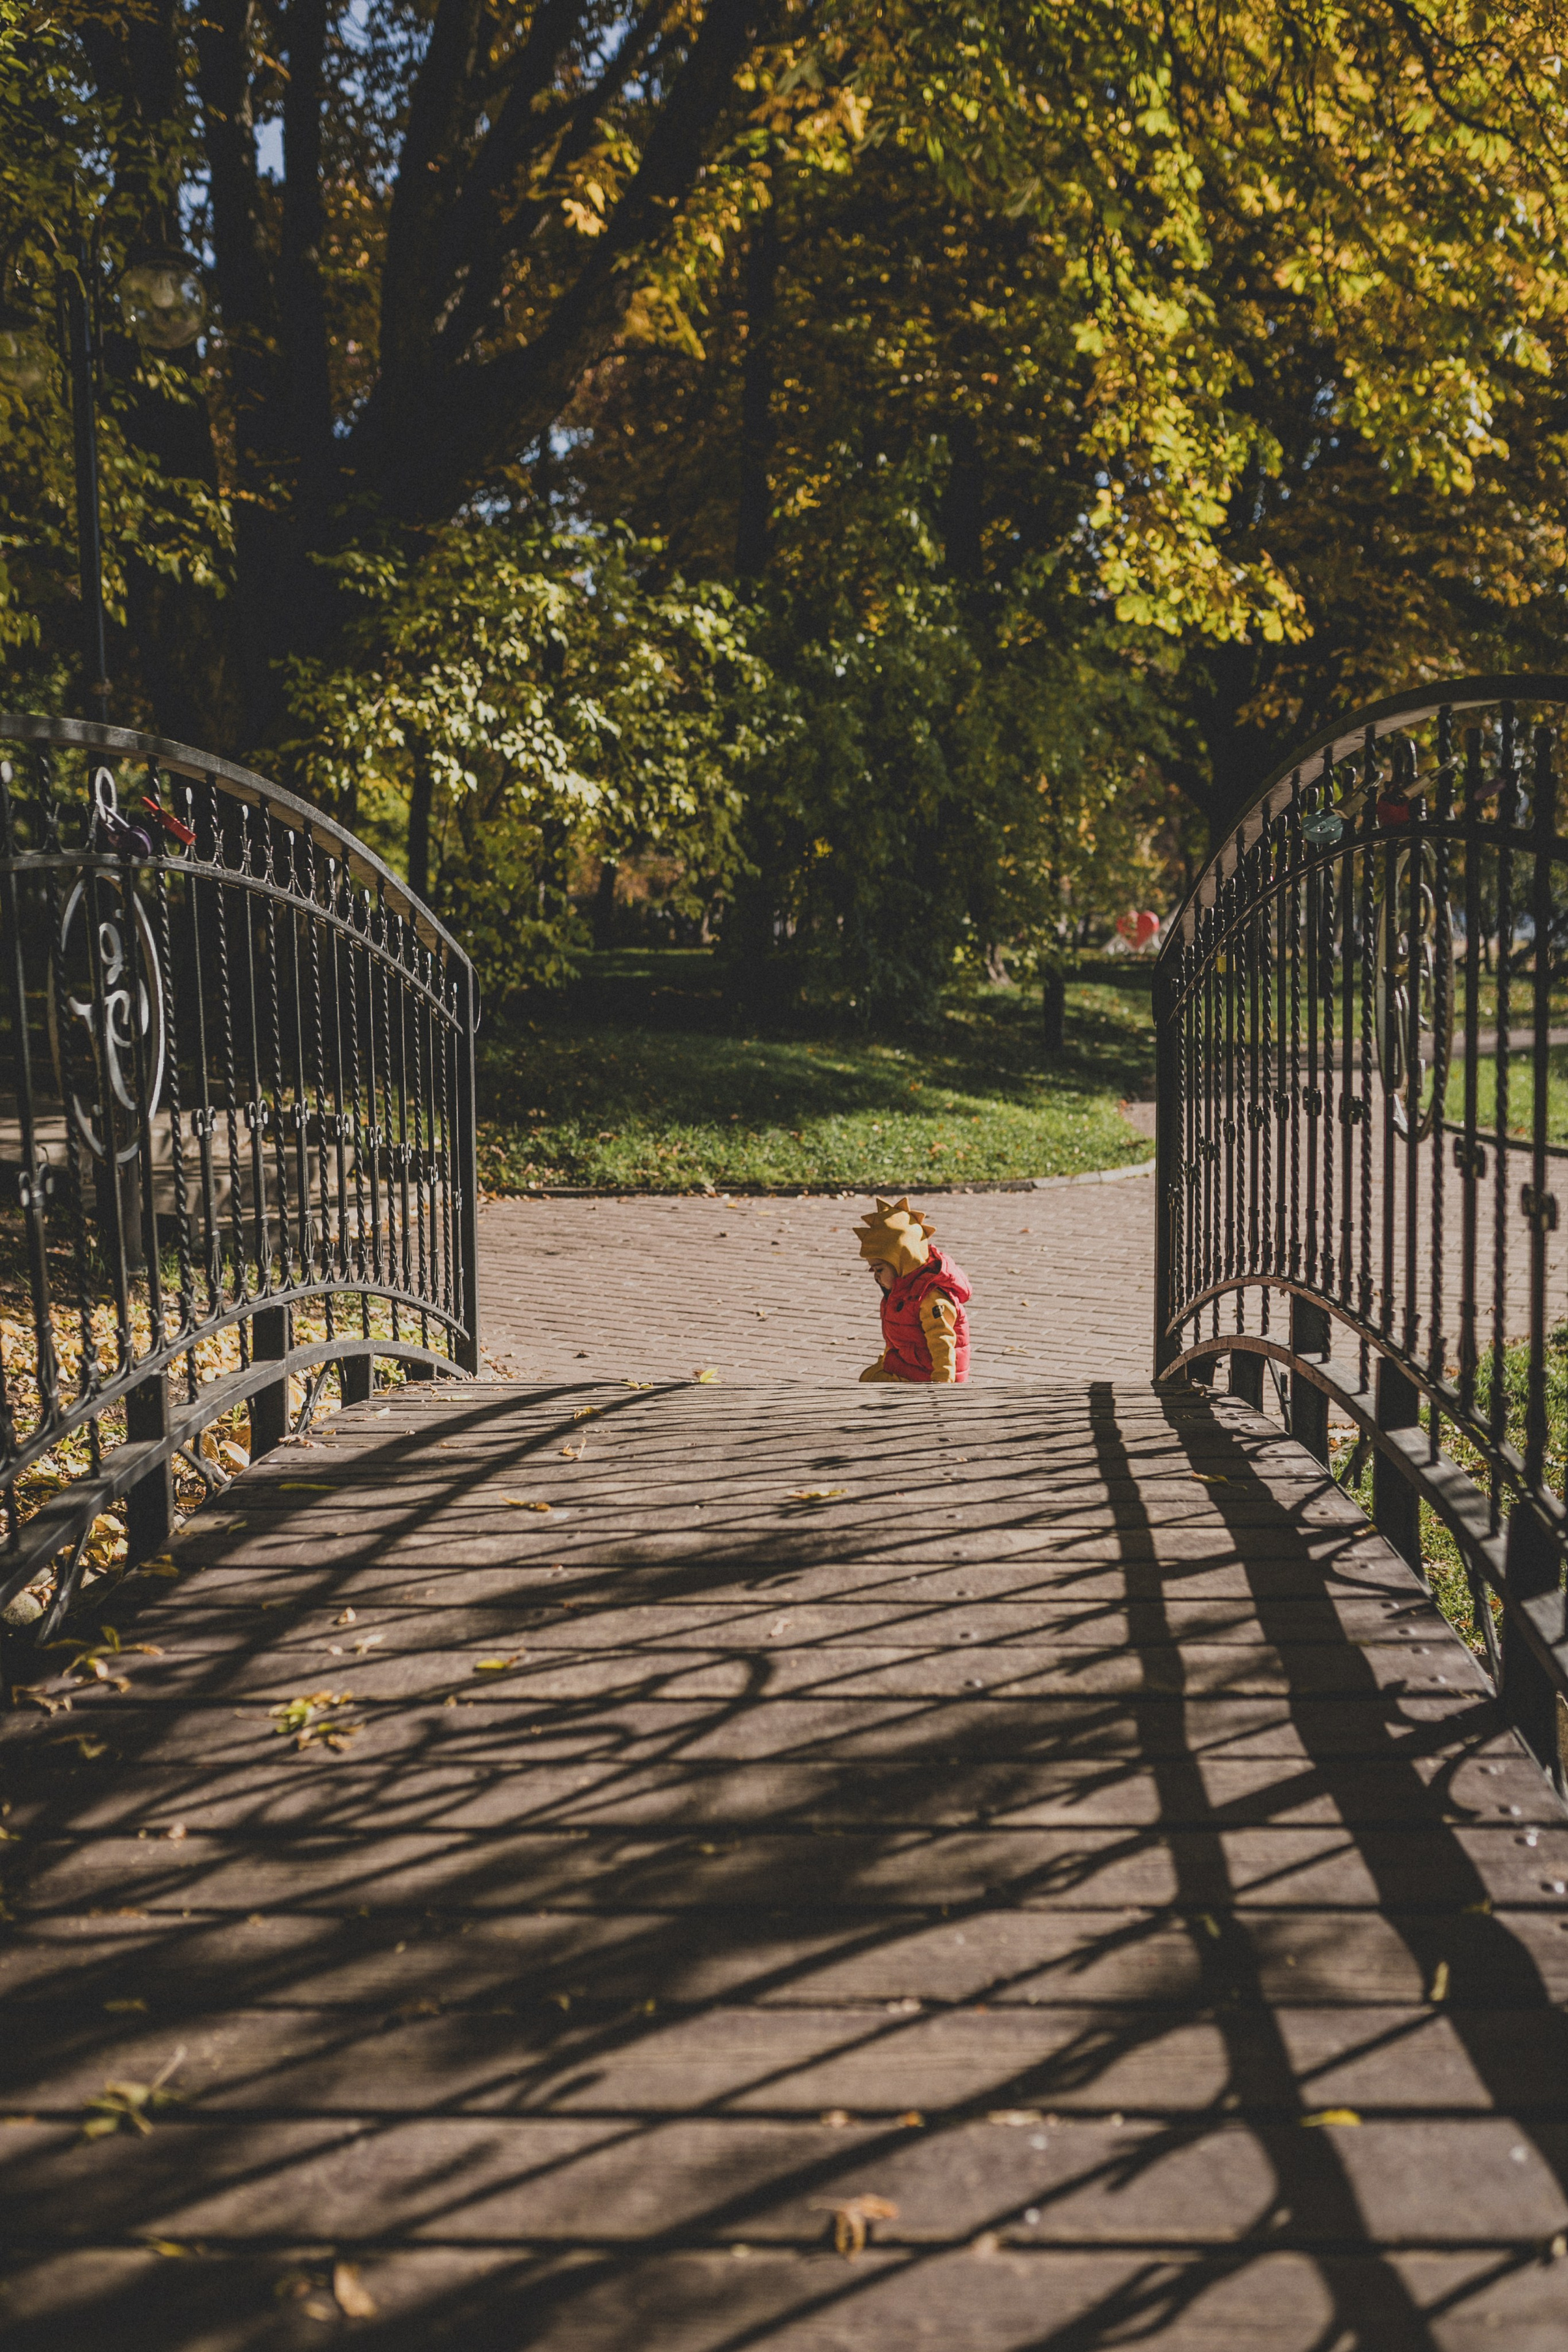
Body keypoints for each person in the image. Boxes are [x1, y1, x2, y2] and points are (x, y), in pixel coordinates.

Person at [854, 1196, 971, 1384]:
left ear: (902, 1262)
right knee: (869, 1378)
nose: (876, 1276)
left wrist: (942, 1385)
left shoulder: (931, 1300)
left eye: (879, 1269)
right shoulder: (901, 1293)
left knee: (874, 1383)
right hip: (914, 1366)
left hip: (932, 1376)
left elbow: (943, 1343)